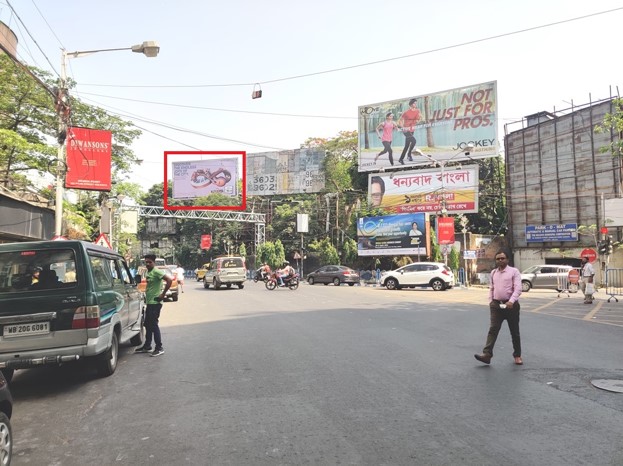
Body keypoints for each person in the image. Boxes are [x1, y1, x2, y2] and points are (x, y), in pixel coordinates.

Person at [474, 250, 523, 366]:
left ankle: (517, 355)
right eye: (498, 259)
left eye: (502, 258)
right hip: (496, 306)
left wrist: (511, 301)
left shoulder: (514, 272)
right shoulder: (493, 273)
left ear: (507, 260)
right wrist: (491, 301)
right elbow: (492, 287)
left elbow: (518, 289)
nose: (500, 260)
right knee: (493, 330)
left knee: (514, 332)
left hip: (511, 306)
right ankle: (487, 355)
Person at [136, 254, 172, 357]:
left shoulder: (156, 271)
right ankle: (147, 346)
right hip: (150, 303)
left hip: (155, 303)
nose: (147, 264)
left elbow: (169, 280)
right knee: (147, 325)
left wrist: (163, 294)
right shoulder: (148, 272)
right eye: (146, 262)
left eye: (149, 262)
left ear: (154, 262)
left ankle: (159, 347)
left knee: (153, 325)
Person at [397, 98, 425, 164]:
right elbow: (400, 121)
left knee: (406, 146)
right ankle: (409, 155)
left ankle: (401, 159)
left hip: (412, 129)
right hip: (406, 130)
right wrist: (403, 127)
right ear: (411, 104)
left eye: (416, 103)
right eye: (414, 103)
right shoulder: (406, 112)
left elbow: (419, 119)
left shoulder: (418, 111)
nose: (415, 104)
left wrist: (418, 120)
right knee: (414, 141)